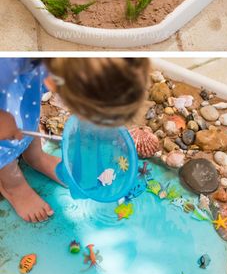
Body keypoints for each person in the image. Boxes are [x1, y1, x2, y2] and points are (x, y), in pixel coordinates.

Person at [0, 57, 149, 223]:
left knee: (25, 111)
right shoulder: (7, 64)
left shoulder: (56, 62)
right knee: (5, 137)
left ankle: (36, 157)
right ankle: (13, 185)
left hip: (22, 80)